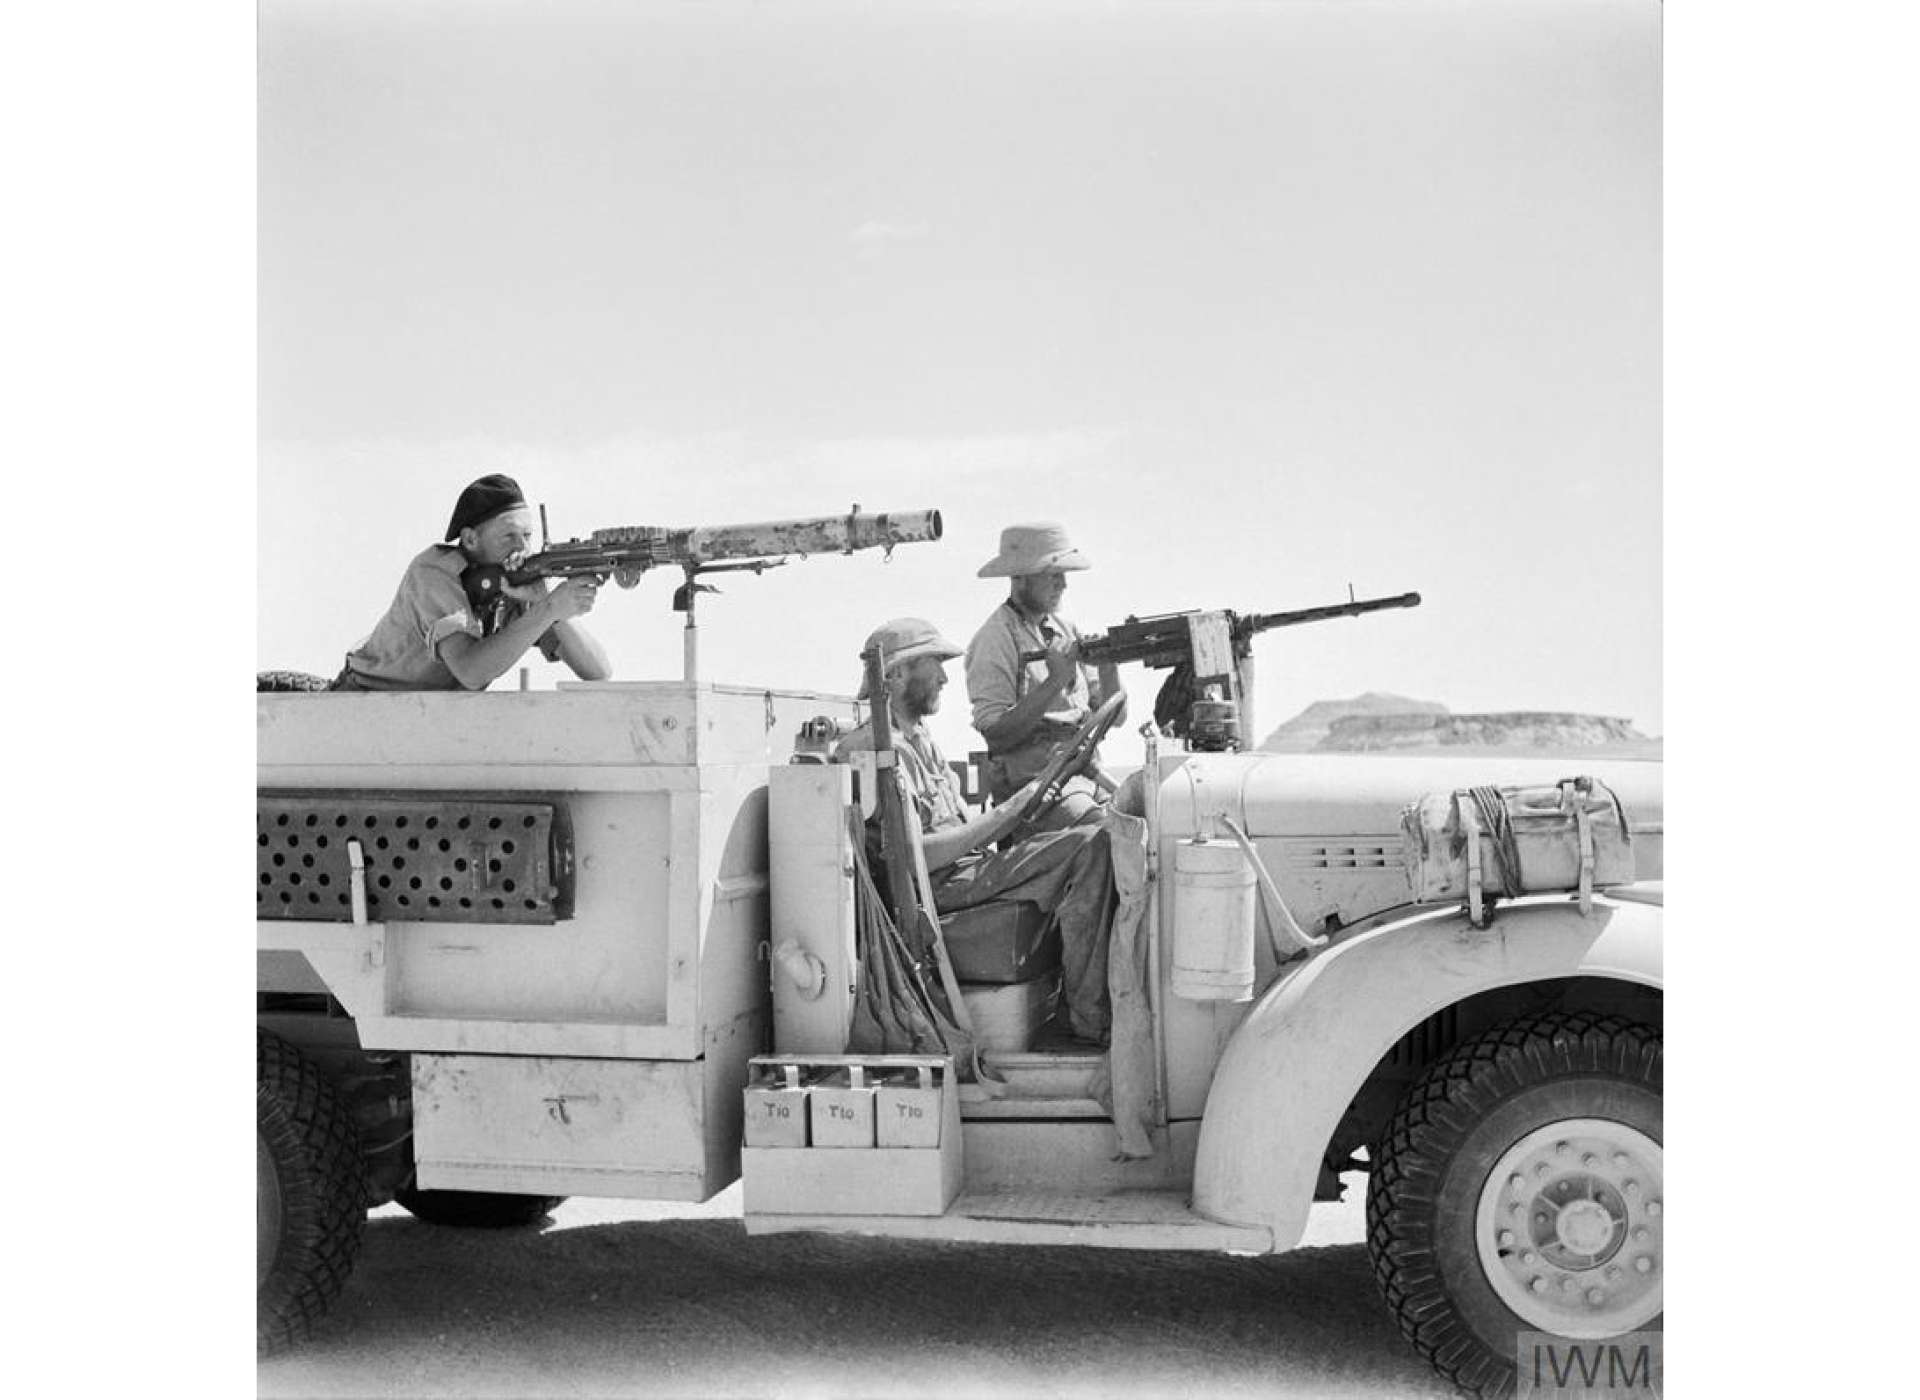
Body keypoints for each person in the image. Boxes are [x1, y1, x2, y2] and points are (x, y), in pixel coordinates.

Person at [836, 617, 1132, 1046]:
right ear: (897, 674)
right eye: (932, 664)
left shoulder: (918, 739)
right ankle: (1091, 1019)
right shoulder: (879, 749)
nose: (943, 677)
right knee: (1090, 845)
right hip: (940, 888)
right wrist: (1004, 815)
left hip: (966, 872)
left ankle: (1080, 1008)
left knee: (1096, 836)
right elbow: (911, 858)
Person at [331, 474, 612, 691]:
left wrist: (548, 604)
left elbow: (597, 672)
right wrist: (549, 609)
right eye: (509, 537)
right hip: (360, 700)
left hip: (422, 719)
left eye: (527, 536)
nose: (522, 548)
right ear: (470, 540)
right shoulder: (434, 573)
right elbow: (471, 671)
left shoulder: (513, 583)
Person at [964, 523, 1127, 829]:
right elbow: (996, 734)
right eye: (1053, 574)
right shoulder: (996, 637)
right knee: (1102, 832)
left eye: (1063, 575)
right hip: (1034, 785)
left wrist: (1109, 666)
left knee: (1150, 818)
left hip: (1083, 772)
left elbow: (1115, 716)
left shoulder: (1066, 631)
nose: (1063, 584)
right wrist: (1055, 682)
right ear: (1020, 577)